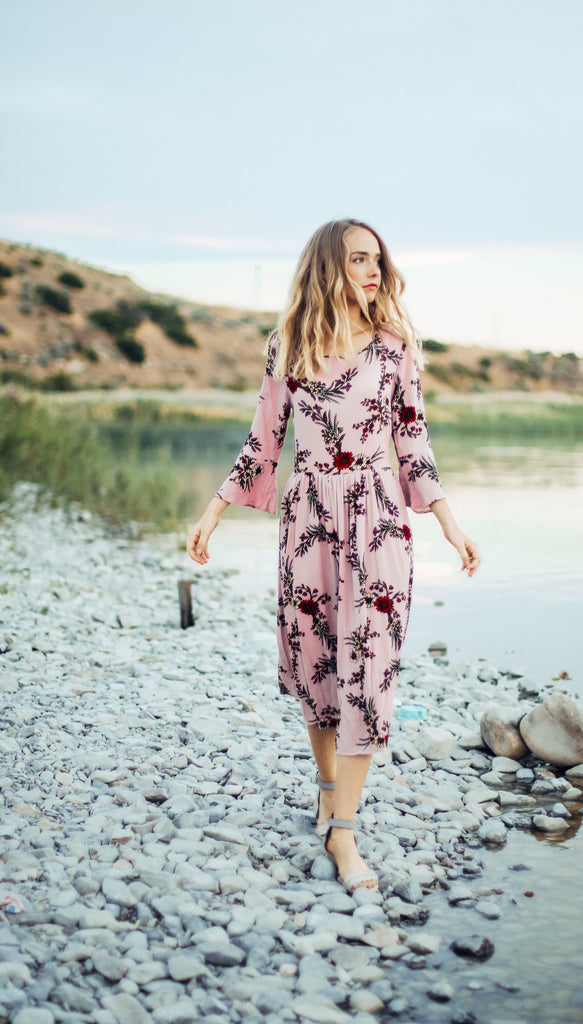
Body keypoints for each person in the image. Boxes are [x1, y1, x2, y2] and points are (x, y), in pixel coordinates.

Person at [187, 219, 480, 892]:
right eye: (357, 260)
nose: (373, 271)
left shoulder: (393, 348)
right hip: (307, 522)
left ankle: (343, 833)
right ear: (328, 266)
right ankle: (326, 790)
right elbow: (263, 439)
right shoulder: (286, 346)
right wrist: (213, 509)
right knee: (316, 665)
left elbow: (413, 441)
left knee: (369, 670)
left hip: (378, 521)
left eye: (377, 260)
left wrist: (448, 523)